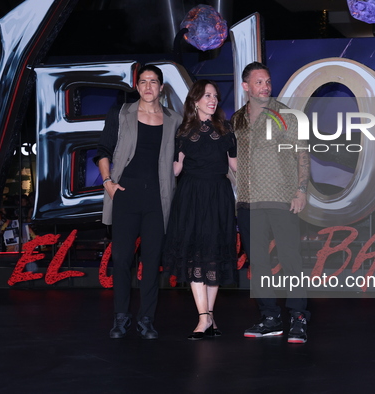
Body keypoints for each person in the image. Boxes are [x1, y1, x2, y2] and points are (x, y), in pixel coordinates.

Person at [95, 64, 182, 339]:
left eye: (153, 81)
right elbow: (103, 149)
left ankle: (147, 319)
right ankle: (121, 318)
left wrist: (180, 167)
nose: (148, 86)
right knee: (121, 259)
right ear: (137, 86)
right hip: (125, 193)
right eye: (143, 81)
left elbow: (180, 155)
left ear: (161, 86)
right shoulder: (121, 114)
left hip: (158, 197)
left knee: (151, 259)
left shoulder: (174, 119)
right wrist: (108, 183)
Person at [231, 62, 311, 344]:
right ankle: (270, 317)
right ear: (246, 87)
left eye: (267, 81)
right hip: (248, 203)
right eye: (259, 82)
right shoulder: (237, 119)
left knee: (290, 260)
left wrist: (301, 191)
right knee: (259, 263)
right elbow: (234, 161)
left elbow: (302, 154)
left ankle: (299, 318)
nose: (265, 86)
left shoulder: (286, 114)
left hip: (281, 199)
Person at [163, 80, 237, 340]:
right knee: (195, 255)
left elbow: (235, 165)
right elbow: (175, 169)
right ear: (195, 100)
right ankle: (204, 317)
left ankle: (208, 316)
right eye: (207, 95)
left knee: (214, 255)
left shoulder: (226, 128)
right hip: (192, 196)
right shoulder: (183, 131)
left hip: (219, 196)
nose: (213, 100)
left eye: (215, 96)